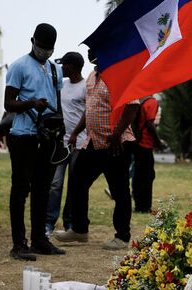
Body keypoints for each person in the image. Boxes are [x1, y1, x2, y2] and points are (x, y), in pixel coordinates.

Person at [55, 49, 139, 250]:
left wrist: (117, 133)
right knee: (77, 182)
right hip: (93, 142)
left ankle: (122, 237)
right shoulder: (92, 76)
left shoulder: (120, 74)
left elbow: (132, 106)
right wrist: (76, 132)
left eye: (96, 51)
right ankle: (79, 230)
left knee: (119, 191)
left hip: (116, 144)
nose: (92, 54)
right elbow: (90, 108)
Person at [4, 23, 66, 260]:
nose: (46, 51)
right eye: (42, 46)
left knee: (42, 189)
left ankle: (40, 239)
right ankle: (19, 244)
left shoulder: (54, 69)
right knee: (21, 190)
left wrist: (60, 130)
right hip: (23, 136)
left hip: (48, 137)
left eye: (50, 48)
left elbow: (57, 102)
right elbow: (8, 104)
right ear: (33, 41)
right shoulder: (19, 66)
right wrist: (31, 103)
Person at [44, 52, 87, 236]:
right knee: (55, 184)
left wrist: (78, 135)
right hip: (61, 144)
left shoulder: (86, 86)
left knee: (74, 186)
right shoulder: (62, 85)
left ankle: (70, 223)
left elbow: (88, 113)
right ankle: (48, 223)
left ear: (73, 66)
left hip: (79, 143)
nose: (62, 68)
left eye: (65, 65)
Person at [132, 95, 163, 213]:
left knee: (139, 175)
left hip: (138, 142)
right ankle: (145, 206)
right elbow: (150, 124)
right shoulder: (152, 102)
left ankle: (139, 205)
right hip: (145, 144)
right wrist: (158, 142)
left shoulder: (141, 100)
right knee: (148, 176)